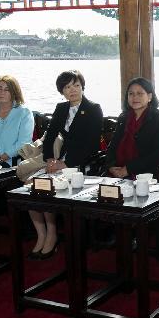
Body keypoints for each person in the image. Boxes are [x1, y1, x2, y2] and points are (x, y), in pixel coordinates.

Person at [28, 70, 103, 260]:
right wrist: (49, 159)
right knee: (32, 186)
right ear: (62, 91)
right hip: (59, 161)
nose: (73, 90)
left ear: (83, 87)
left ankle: (52, 234)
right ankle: (42, 234)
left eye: (76, 85)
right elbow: (50, 136)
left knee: (46, 187)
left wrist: (65, 163)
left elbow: (92, 144)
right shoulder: (61, 108)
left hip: (81, 163)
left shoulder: (93, 108)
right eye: (67, 87)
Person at [105, 77, 159, 179]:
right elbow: (112, 146)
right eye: (131, 94)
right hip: (117, 172)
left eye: (140, 93)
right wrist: (111, 166)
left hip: (146, 175)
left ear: (149, 97)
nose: (135, 97)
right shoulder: (123, 118)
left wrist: (129, 169)